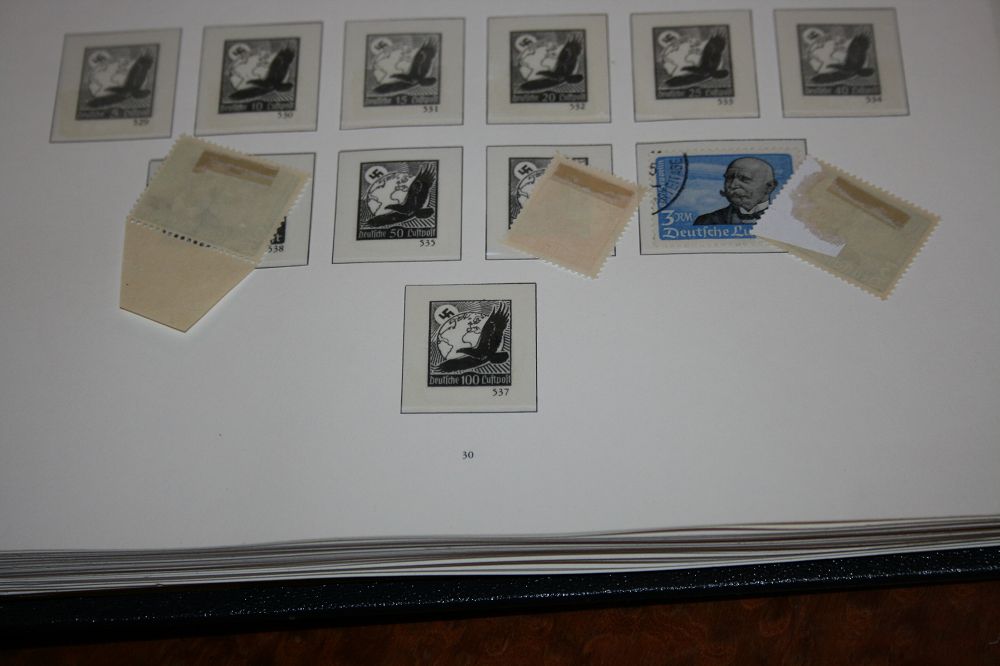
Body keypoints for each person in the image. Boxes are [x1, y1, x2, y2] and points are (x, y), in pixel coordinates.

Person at [694, 157, 777, 225]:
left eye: (744, 179)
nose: (732, 185)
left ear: (769, 187)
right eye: (729, 178)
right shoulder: (705, 221)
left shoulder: (782, 219)